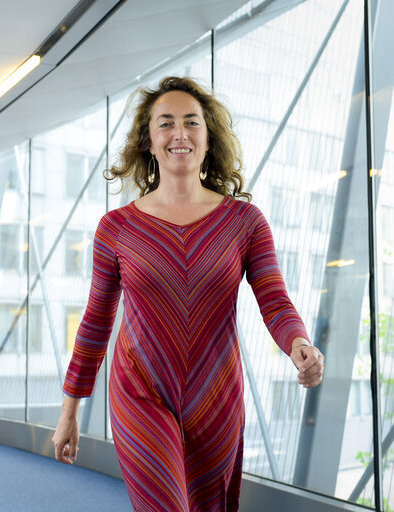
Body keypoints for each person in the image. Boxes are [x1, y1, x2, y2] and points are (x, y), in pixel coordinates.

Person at [51, 76, 324, 511]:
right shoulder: (116, 228)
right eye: (166, 123)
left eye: (191, 122)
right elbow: (96, 322)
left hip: (216, 396)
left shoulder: (245, 222)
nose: (180, 133)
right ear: (149, 141)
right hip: (139, 391)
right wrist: (70, 410)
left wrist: (299, 343)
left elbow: (274, 299)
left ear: (208, 136)